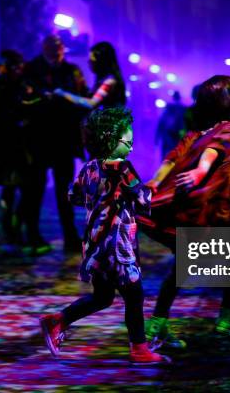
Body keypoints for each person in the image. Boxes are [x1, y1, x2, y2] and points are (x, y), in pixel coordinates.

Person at [39, 107, 167, 364]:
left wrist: (98, 200)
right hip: (117, 245)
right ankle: (139, 348)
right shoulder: (123, 169)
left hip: (95, 242)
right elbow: (143, 200)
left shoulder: (88, 169)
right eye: (127, 137)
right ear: (112, 139)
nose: (131, 141)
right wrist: (155, 191)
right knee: (134, 294)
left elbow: (73, 196)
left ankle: (58, 320)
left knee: (103, 296)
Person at [137, 76, 230, 349]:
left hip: (199, 213)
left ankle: (160, 325)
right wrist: (201, 172)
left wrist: (155, 181)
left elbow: (170, 159)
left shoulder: (193, 135)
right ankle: (224, 319)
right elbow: (211, 154)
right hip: (206, 214)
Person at [25, 35, 89, 252]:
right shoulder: (31, 69)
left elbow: (84, 99)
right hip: (39, 137)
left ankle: (70, 237)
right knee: (34, 189)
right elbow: (24, 101)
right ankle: (32, 234)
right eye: (52, 48)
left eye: (59, 47)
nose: (56, 51)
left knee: (65, 190)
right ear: (44, 48)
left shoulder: (72, 71)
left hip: (64, 138)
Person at [0, 50, 39, 244]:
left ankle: (14, 225)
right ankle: (10, 228)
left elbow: (32, 108)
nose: (18, 70)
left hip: (20, 145)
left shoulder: (23, 85)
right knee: (11, 189)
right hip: (5, 145)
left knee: (26, 189)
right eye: (15, 66)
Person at [54, 41, 126, 111]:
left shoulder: (110, 81)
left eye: (92, 59)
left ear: (101, 61)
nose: (89, 62)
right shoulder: (107, 79)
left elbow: (92, 103)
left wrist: (62, 93)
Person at [155, 91, 187, 158]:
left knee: (167, 153)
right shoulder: (183, 108)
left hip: (169, 134)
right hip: (176, 134)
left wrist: (157, 138)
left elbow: (161, 123)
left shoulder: (169, 107)